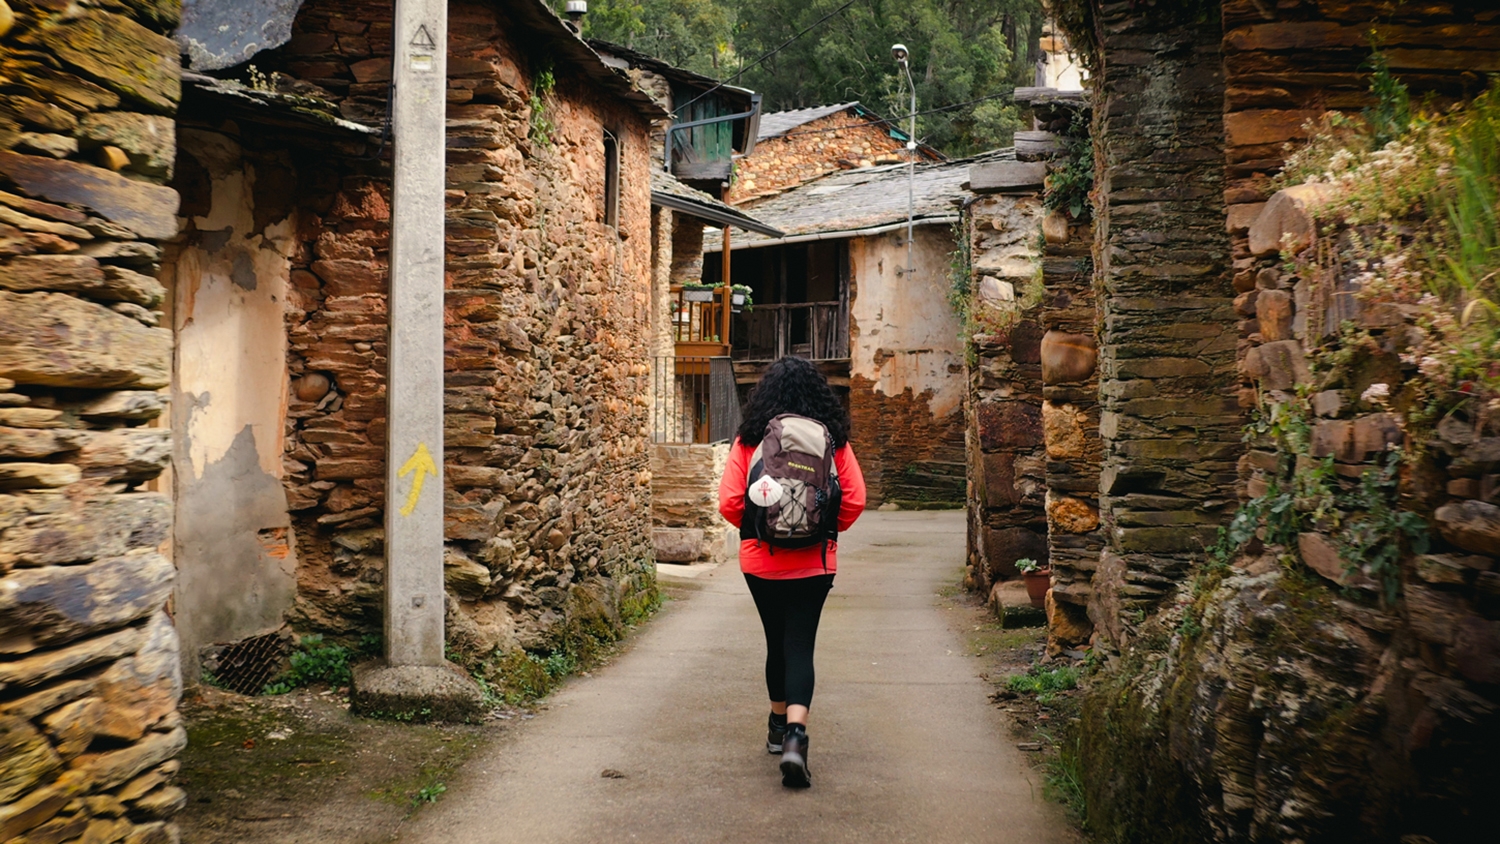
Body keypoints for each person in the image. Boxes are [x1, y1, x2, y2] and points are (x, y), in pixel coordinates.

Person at [718, 356, 866, 789]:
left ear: (765, 394)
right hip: (816, 560)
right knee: (800, 642)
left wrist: (762, 530)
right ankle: (796, 738)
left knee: (776, 641)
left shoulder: (750, 439)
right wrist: (822, 530)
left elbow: (730, 502)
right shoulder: (832, 439)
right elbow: (855, 500)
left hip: (760, 559)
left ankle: (777, 724)